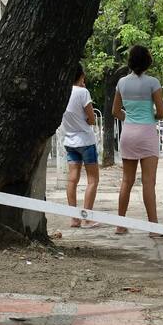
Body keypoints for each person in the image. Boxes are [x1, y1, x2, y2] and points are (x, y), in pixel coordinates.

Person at [112, 46, 163, 236]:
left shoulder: (121, 83)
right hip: (147, 134)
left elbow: (115, 111)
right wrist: (150, 116)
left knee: (127, 181)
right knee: (148, 182)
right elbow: (161, 113)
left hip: (128, 134)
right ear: (147, 62)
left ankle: (120, 225)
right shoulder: (153, 83)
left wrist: (129, 117)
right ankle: (153, 228)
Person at [62, 64, 100, 228]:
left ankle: (74, 218)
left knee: (72, 179)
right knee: (93, 180)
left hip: (69, 141)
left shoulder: (63, 92)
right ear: (81, 75)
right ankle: (86, 218)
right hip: (85, 141)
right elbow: (92, 119)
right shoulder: (83, 93)